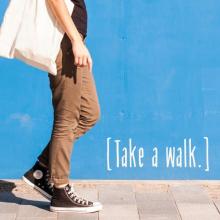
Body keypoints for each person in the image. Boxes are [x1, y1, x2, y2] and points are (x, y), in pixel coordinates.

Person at [21, 0, 103, 213]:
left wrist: (79, 41)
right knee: (67, 116)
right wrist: (75, 39)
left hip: (72, 40)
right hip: (64, 40)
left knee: (89, 113)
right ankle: (60, 190)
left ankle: (42, 169)